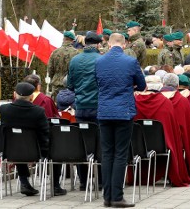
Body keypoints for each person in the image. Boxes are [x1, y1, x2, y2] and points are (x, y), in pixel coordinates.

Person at [95, 32, 146, 208]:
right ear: (124, 45)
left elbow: (97, 82)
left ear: (109, 44)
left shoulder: (99, 61)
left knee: (107, 153)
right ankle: (117, 196)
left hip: (104, 111)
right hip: (124, 111)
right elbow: (142, 85)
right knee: (120, 154)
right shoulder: (131, 62)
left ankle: (107, 197)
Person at [0, 82, 62, 196]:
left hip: (11, 150)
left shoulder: (4, 109)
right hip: (36, 151)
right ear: (32, 97)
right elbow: (45, 132)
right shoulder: (38, 111)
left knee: (18, 144)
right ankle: (56, 186)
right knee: (55, 149)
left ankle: (24, 182)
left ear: (14, 94)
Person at [68, 30, 103, 190]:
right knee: (100, 144)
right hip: (98, 107)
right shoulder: (101, 60)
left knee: (82, 144)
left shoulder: (75, 60)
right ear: (98, 44)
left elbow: (70, 85)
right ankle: (101, 180)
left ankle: (83, 181)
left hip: (81, 107)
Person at [47, 30, 80, 101]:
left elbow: (50, 69)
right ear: (72, 40)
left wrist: (55, 77)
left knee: (55, 107)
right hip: (70, 85)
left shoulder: (55, 52)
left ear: (63, 39)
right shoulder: (76, 53)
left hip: (56, 84)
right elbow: (78, 70)